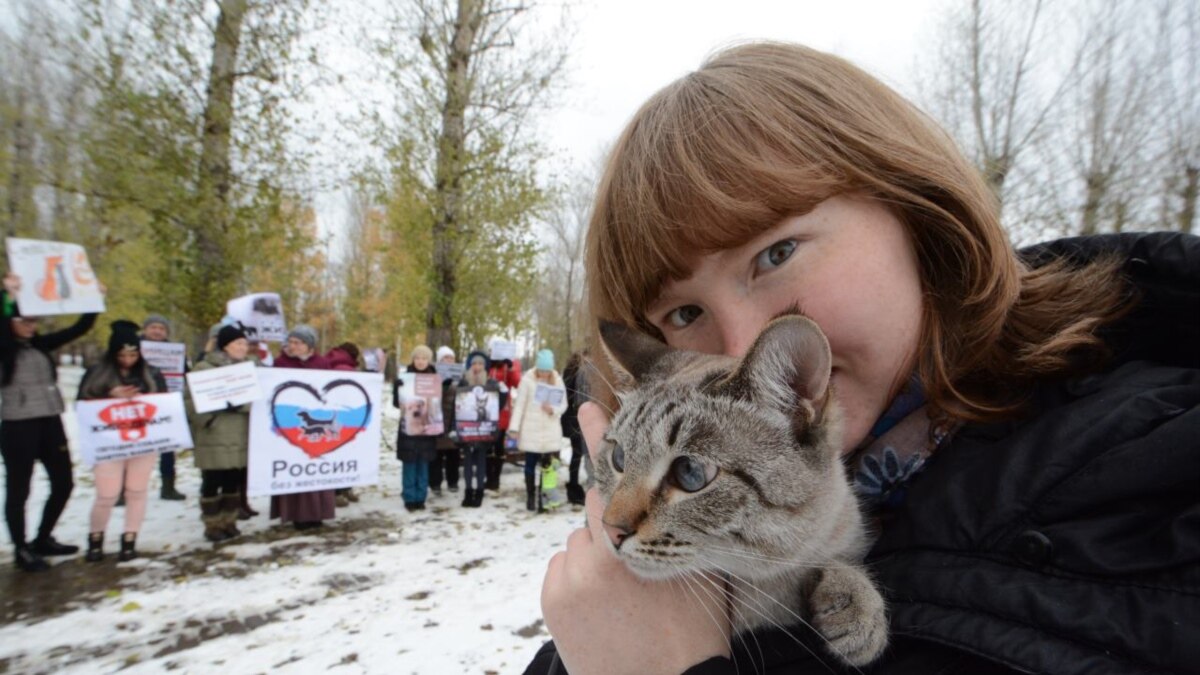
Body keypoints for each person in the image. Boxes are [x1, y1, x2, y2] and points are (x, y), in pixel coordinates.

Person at [526, 42, 1199, 675]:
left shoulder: (1160, 475)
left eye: (776, 253)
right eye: (683, 313)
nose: (737, 346)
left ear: (915, 206)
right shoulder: (658, 532)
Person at [1, 272, 99, 572]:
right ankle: (21, 548)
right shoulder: (4, 346)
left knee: (64, 482)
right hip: (18, 424)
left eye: (34, 321)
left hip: (50, 420)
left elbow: (80, 327)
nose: (31, 327)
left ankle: (43, 537)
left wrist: (93, 299)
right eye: (24, 321)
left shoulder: (40, 344)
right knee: (20, 489)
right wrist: (8, 297)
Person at [78, 320, 169, 561]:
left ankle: (130, 539)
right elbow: (82, 406)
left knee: (136, 491)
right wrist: (109, 396)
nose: (128, 359)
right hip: (108, 443)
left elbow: (164, 404)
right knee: (107, 495)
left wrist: (144, 399)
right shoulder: (96, 373)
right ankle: (95, 539)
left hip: (142, 442)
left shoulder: (151, 373)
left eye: (133, 354)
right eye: (122, 355)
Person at [188, 323, 258, 542]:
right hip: (215, 432)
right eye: (238, 343)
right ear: (226, 346)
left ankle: (229, 520)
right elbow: (189, 400)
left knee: (234, 479)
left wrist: (244, 407)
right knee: (212, 479)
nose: (243, 347)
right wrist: (213, 414)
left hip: (240, 432)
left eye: (245, 343)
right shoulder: (204, 368)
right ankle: (212, 524)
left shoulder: (250, 368)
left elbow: (260, 398)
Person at [270, 325, 336, 530]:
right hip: (290, 423)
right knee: (295, 466)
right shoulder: (281, 363)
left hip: (316, 421)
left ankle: (317, 513)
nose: (293, 346)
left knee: (315, 466)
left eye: (298, 342)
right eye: (291, 342)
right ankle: (296, 514)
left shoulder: (322, 363)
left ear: (309, 345)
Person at [508, 349, 568, 512]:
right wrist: (514, 428)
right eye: (541, 371)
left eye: (546, 371)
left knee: (547, 468)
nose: (543, 374)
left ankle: (544, 498)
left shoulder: (557, 380)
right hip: (530, 430)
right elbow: (519, 405)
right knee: (530, 464)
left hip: (550, 430)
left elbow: (564, 405)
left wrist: (553, 410)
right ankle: (530, 495)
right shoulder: (527, 380)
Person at [141, 314, 187, 501]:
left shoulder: (174, 352)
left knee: (168, 448)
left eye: (162, 328)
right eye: (154, 327)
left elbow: (184, 373)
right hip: (139, 403)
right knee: (134, 447)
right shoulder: (133, 347)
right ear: (145, 329)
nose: (157, 331)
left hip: (167, 402)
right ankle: (123, 490)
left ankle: (168, 486)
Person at [456, 351, 507, 508]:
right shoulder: (463, 382)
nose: (477, 367)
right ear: (470, 365)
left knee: (481, 461)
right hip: (467, 429)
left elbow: (497, 405)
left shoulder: (491, 383)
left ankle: (479, 491)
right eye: (474, 364)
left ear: (484, 366)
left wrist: (503, 392)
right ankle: (468, 491)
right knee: (468, 461)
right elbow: (457, 404)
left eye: (480, 364)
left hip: (484, 430)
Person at [394, 345, 438, 511]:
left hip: (427, 428)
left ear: (429, 360)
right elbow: (396, 404)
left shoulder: (434, 379)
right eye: (417, 358)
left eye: (424, 358)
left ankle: (421, 498)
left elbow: (436, 406)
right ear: (413, 359)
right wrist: (396, 389)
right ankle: (409, 498)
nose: (420, 361)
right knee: (410, 465)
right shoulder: (405, 378)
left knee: (423, 465)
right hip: (408, 429)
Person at [327, 341, 362, 507]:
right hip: (345, 416)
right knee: (343, 454)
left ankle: (340, 490)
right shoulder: (345, 368)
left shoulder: (331, 363)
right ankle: (340, 490)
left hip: (333, 415)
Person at [485, 354, 520, 491]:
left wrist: (511, 368)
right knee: (488, 447)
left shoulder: (508, 366)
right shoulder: (488, 366)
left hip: (503, 413)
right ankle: (488, 478)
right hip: (486, 412)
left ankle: (496, 479)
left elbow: (517, 383)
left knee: (499, 447)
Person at [429, 345, 461, 496]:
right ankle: (435, 483)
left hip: (453, 421)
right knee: (436, 455)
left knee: (453, 454)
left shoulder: (459, 378)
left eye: (451, 358)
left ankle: (453, 481)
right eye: (445, 358)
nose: (449, 360)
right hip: (437, 420)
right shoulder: (433, 377)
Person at [560, 351, 587, 506]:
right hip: (575, 419)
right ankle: (573, 488)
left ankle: (574, 486)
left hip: (572, 419)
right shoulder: (576, 373)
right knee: (577, 455)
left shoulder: (569, 372)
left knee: (576, 455)